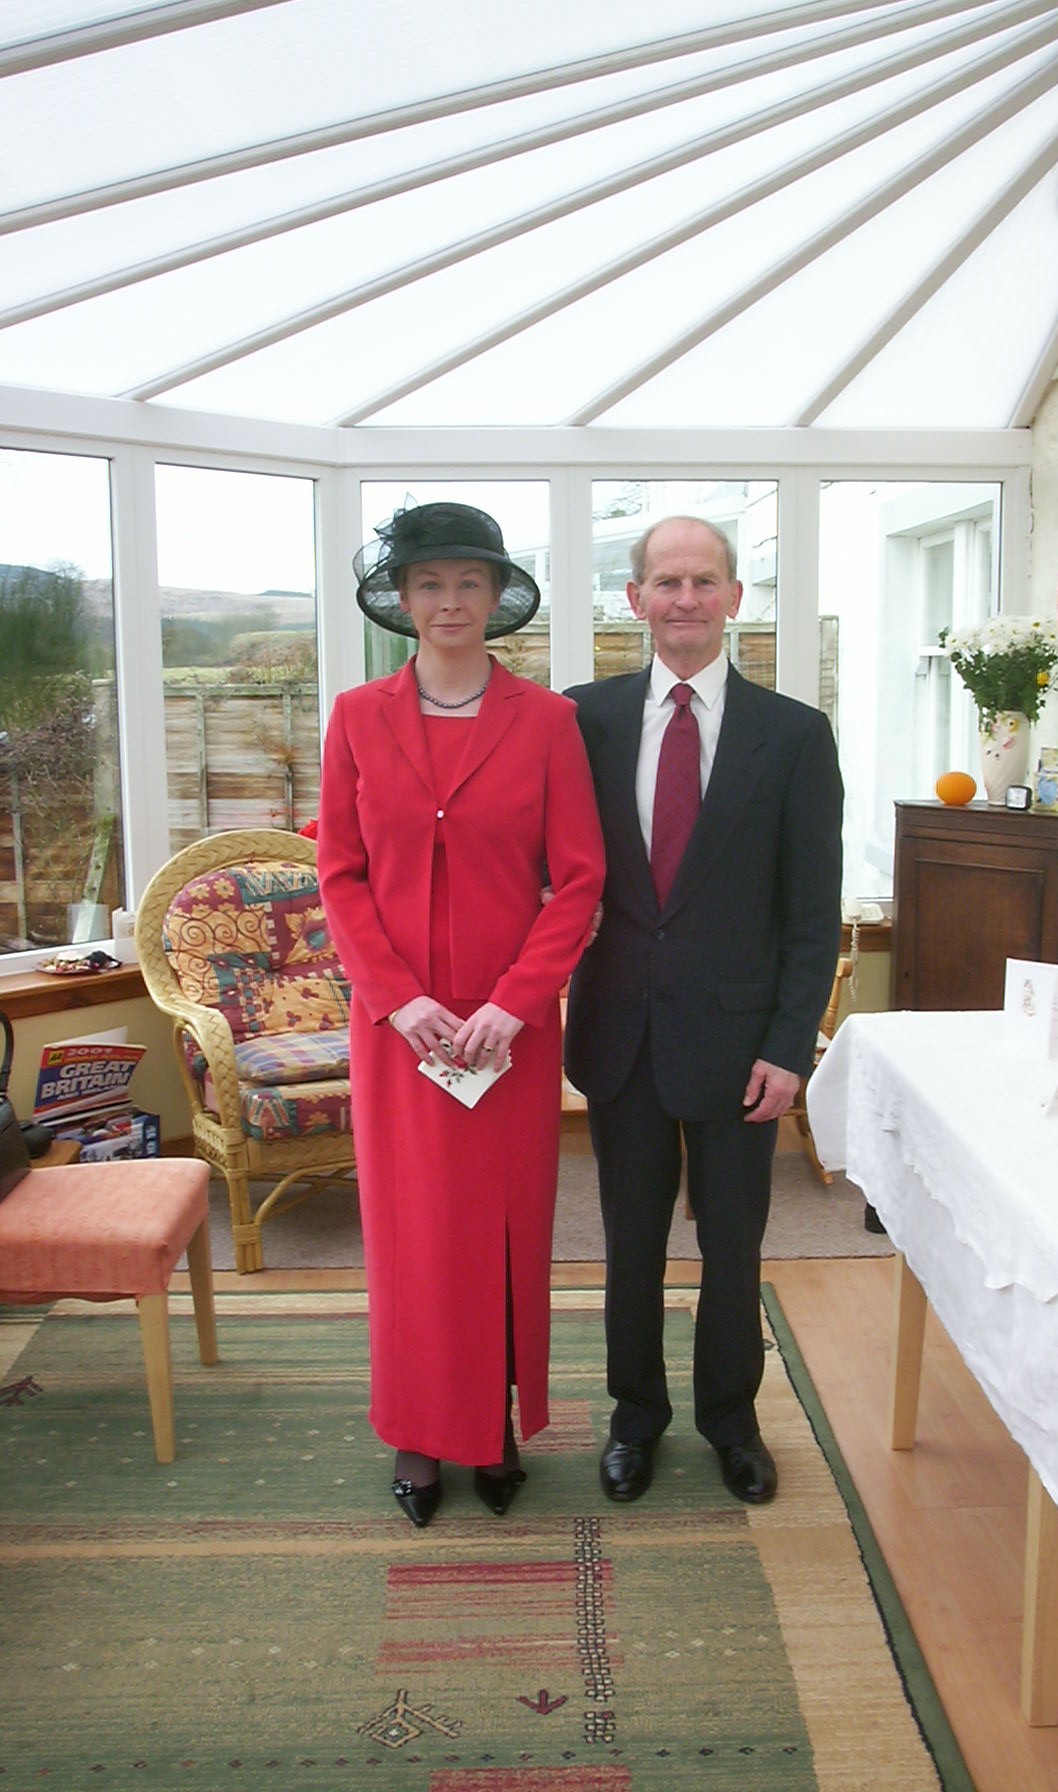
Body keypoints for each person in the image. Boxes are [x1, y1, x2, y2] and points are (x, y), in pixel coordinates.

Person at [318, 501, 604, 1528]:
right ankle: (415, 1431)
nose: (448, 601)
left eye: (467, 583)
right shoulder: (356, 716)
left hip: (503, 1037)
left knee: (499, 1233)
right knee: (413, 1240)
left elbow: (579, 880)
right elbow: (339, 873)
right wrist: (397, 1001)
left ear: (494, 597)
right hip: (403, 1035)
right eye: (429, 584)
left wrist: (517, 1004)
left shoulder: (549, 722)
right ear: (402, 600)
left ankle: (493, 1424)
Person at [564, 515, 842, 1507]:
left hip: (740, 1047)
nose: (684, 598)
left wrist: (789, 1048)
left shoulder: (793, 736)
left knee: (732, 1250)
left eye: (703, 580)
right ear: (634, 598)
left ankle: (733, 1422)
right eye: (665, 581)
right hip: (620, 1034)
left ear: (732, 597)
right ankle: (634, 1419)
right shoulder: (579, 720)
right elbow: (543, 861)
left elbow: (810, 915)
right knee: (629, 1248)